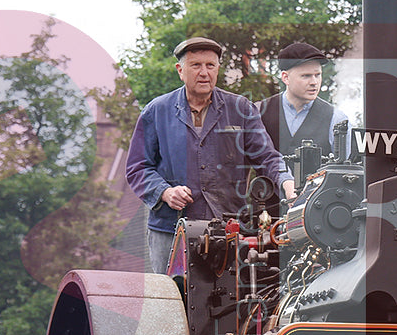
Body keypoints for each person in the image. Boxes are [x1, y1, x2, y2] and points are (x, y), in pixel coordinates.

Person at [126, 37, 295, 274]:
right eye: (196, 65)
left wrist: (288, 185)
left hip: (227, 228)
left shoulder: (241, 109)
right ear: (180, 71)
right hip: (169, 230)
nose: (204, 73)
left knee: (226, 305)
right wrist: (165, 192)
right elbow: (137, 168)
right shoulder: (156, 111)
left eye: (210, 65)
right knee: (170, 303)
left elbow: (267, 157)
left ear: (218, 69)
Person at [255, 41, 349, 158]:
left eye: (317, 75)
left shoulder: (336, 120)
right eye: (306, 76)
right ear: (285, 78)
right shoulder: (258, 112)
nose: (314, 82)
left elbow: (348, 169)